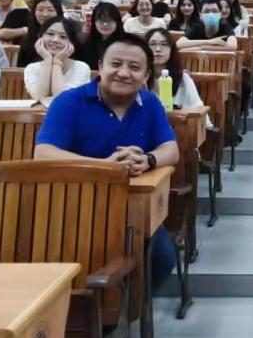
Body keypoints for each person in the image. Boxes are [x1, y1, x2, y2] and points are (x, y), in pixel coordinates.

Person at [34, 33, 180, 289]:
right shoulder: (69, 101)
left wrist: (148, 159)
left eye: (134, 67)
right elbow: (43, 152)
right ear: (100, 66)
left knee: (162, 259)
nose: (123, 73)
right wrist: (105, 168)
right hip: (73, 204)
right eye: (115, 64)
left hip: (133, 208)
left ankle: (128, 305)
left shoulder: (150, 103)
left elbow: (171, 149)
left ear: (146, 75)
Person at [24, 15, 91, 103]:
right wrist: (48, 60)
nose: (55, 40)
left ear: (72, 42)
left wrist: (57, 62)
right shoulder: (32, 68)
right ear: (39, 37)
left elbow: (63, 100)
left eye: (63, 37)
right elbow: (40, 97)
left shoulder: (81, 68)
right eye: (50, 34)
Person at [144, 27, 204, 110]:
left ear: (171, 50)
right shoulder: (139, 78)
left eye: (164, 44)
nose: (158, 49)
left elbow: (199, 110)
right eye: (152, 44)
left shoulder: (183, 79)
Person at [17, 0, 63, 67]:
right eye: (40, 10)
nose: (45, 14)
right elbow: (21, 68)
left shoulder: (68, 38)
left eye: (50, 10)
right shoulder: (27, 40)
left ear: (58, 12)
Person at [79, 3, 123, 68]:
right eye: (101, 20)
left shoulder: (125, 45)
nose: (105, 24)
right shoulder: (88, 45)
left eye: (109, 20)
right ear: (94, 22)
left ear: (117, 22)